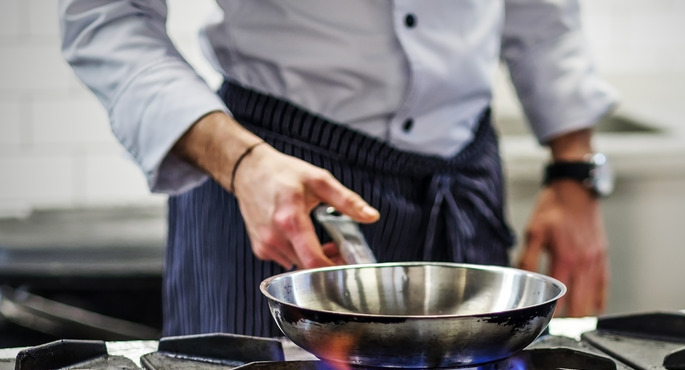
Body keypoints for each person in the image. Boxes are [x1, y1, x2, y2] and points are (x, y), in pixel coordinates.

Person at [59, 0, 619, 337]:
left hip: (460, 187)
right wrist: (240, 160)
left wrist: (574, 171)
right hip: (268, 182)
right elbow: (106, 18)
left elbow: (541, 14)